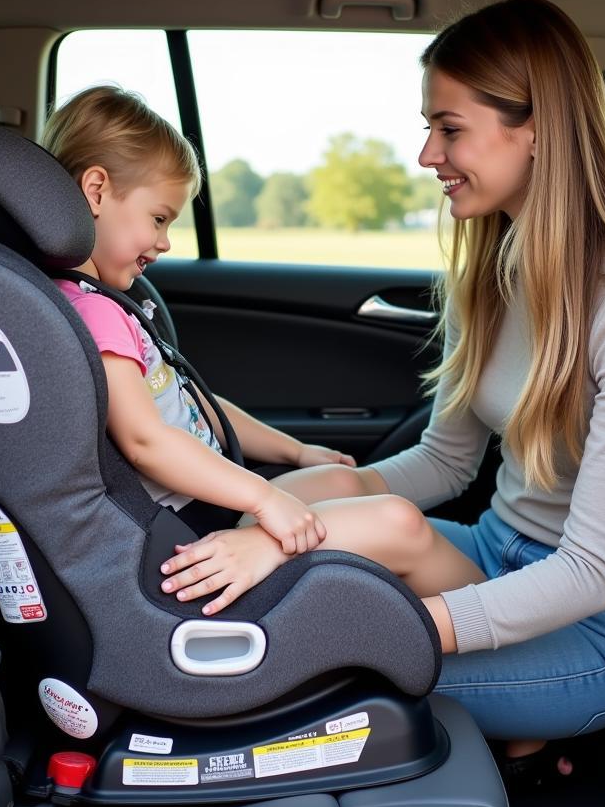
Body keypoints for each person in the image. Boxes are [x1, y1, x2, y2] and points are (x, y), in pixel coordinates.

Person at [158, 0, 605, 768]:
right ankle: (507, 721)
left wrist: (391, 627)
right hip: (496, 551)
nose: (426, 156)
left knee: (318, 654)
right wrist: (304, 499)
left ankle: (525, 708)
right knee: (316, 550)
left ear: (536, 130)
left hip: (601, 625)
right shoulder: (498, 268)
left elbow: (587, 576)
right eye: (429, 129)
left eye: (449, 129)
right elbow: (445, 463)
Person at [41, 86, 483, 612]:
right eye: (159, 218)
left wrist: (294, 452)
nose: (165, 242)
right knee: (398, 522)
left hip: (209, 506)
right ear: (95, 190)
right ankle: (514, 642)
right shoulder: (94, 313)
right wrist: (263, 496)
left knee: (344, 478)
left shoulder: (112, 304)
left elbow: (196, 404)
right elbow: (147, 442)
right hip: (189, 535)